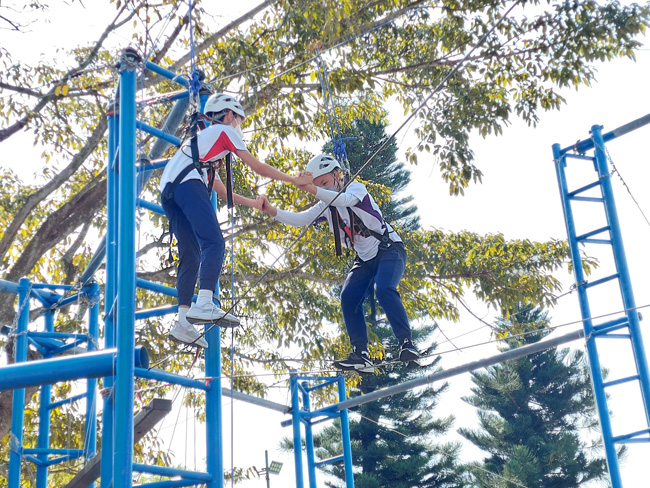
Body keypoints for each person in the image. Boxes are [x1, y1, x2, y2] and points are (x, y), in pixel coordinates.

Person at [160, 93, 312, 348]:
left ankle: (183, 322)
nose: (237, 126)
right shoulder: (223, 131)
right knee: (214, 243)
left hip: (169, 191)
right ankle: (205, 302)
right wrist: (294, 180)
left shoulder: (199, 149)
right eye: (238, 120)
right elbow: (258, 167)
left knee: (191, 255)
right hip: (187, 186)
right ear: (228, 115)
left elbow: (220, 190)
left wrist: (253, 203)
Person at [258, 153, 420, 371]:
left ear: (337, 175)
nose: (323, 190)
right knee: (348, 297)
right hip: (364, 260)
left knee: (383, 288)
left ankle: (406, 343)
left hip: (389, 250)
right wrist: (270, 210)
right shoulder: (326, 206)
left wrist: (313, 189)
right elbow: (300, 219)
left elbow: (344, 200)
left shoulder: (356, 189)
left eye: (325, 183)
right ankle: (361, 354)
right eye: (319, 187)